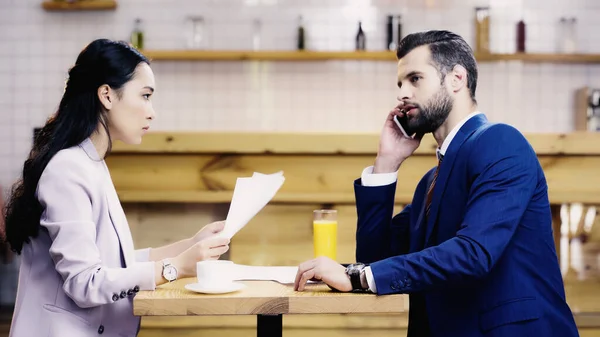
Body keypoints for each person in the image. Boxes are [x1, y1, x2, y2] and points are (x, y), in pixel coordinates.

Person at [294, 30, 579, 337]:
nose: (402, 93)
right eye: (400, 83)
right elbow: (375, 260)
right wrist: (386, 163)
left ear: (457, 78)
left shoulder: (501, 142)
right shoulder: (430, 182)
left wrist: (357, 276)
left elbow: (473, 254)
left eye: (415, 79)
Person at [3, 39, 230, 337]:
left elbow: (115, 262)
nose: (152, 112)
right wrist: (174, 267)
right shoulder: (67, 169)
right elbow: (84, 283)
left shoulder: (91, 163)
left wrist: (190, 244)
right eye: (145, 96)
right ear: (107, 96)